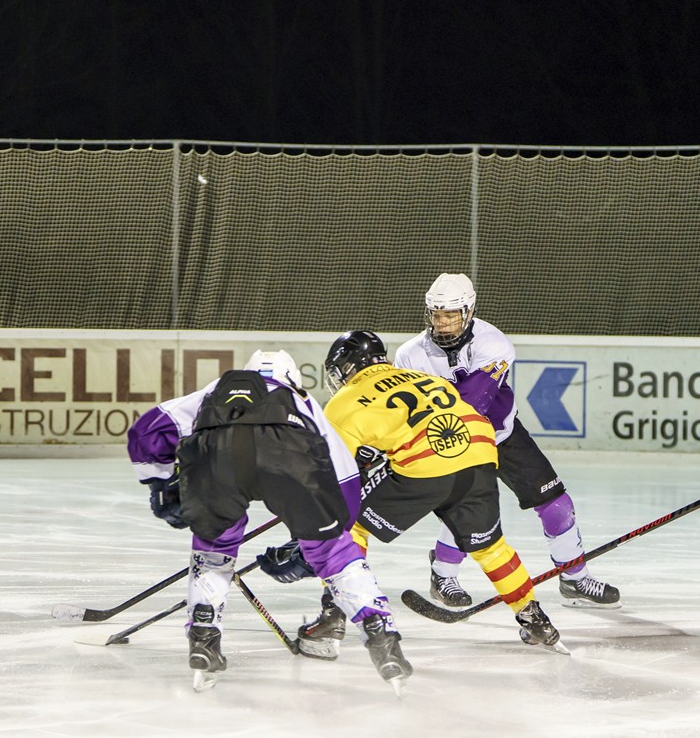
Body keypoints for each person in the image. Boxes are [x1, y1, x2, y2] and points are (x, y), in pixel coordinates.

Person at [126, 349, 410, 692]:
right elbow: (345, 473)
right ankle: (380, 634)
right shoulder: (302, 400)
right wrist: (331, 531)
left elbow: (145, 432)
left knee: (214, 550)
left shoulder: (216, 390)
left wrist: (160, 485)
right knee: (335, 553)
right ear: (292, 378)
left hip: (216, 457)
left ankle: (203, 635)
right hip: (288, 457)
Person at [271, 329, 567, 655]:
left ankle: (334, 614)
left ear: (348, 367)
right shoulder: (423, 377)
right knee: (492, 548)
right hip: (480, 454)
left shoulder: (344, 401)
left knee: (349, 526)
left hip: (425, 464)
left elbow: (331, 476)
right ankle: (536, 620)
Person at [392, 272, 620, 611]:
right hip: (453, 444)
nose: (442, 323)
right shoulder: (409, 355)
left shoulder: (493, 343)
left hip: (502, 435)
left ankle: (574, 577)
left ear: (469, 311)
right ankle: (443, 574)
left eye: (451, 314)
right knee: (466, 511)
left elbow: (472, 404)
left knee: (557, 506)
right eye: (436, 315)